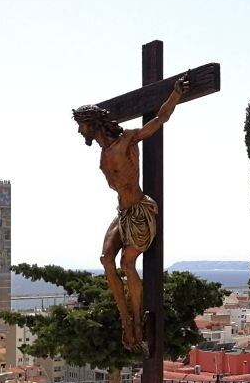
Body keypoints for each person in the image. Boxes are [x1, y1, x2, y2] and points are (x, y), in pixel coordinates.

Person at [72, 75, 190, 351]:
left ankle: (137, 324)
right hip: (122, 212)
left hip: (139, 213)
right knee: (105, 259)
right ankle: (126, 322)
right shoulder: (103, 153)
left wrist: (174, 95)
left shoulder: (127, 140)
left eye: (81, 126)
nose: (80, 132)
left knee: (127, 264)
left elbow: (159, 119)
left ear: (92, 123)